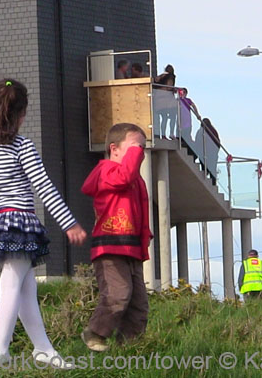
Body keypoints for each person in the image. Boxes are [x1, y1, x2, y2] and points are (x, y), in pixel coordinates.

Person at [0, 79, 87, 368]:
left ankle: (43, 349)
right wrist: (69, 223)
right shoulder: (22, 146)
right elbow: (43, 186)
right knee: (12, 284)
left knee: (25, 289)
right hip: (20, 223)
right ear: (19, 115)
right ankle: (0, 351)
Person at [80, 123, 152, 352]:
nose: (140, 151)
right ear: (115, 149)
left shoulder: (136, 181)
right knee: (117, 295)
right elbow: (123, 176)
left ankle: (130, 348)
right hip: (111, 248)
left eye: (142, 148)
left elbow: (140, 211)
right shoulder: (106, 171)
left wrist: (145, 238)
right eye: (135, 147)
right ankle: (96, 332)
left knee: (138, 304)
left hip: (132, 249)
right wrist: (134, 154)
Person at [153, 64, 177, 139]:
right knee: (173, 116)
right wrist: (174, 89)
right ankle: (171, 133)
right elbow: (169, 87)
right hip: (167, 100)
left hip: (158, 100)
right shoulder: (171, 76)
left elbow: (155, 81)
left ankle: (162, 135)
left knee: (164, 117)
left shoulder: (160, 76)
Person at [195, 118, 220, 183]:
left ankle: (206, 179)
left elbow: (197, 143)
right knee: (212, 169)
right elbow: (218, 143)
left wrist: (198, 153)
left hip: (204, 154)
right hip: (211, 154)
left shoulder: (200, 131)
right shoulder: (213, 131)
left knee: (205, 169)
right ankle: (213, 182)